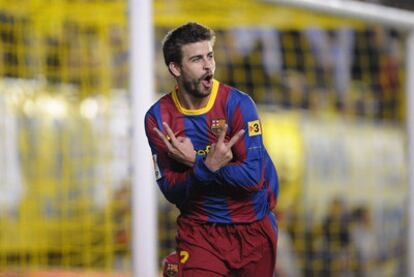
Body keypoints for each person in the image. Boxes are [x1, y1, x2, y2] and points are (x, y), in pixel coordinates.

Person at [144, 22, 279, 276]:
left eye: (210, 56)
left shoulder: (239, 104)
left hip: (253, 228)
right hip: (200, 232)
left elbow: (252, 178)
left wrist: (197, 162)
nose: (208, 66)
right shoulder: (158, 117)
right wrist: (210, 165)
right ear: (175, 68)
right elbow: (172, 191)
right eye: (197, 59)